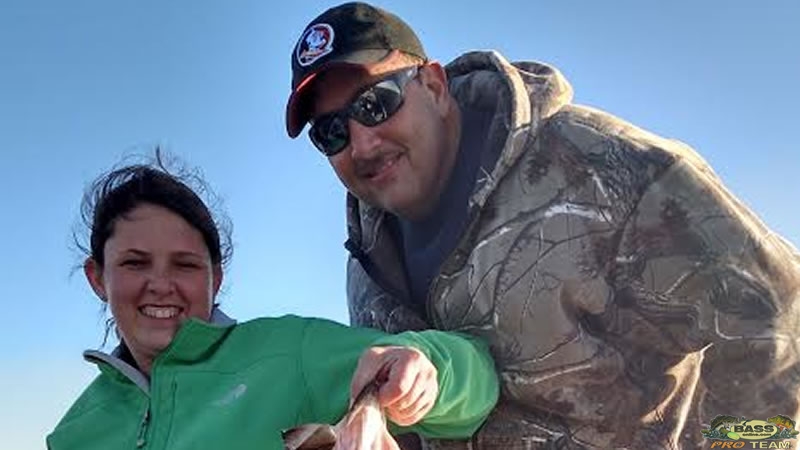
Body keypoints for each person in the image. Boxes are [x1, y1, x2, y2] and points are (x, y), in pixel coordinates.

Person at [284, 2, 800, 449]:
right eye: (330, 133)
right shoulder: (367, 270)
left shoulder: (604, 168)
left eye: (377, 103)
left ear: (435, 86)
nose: (363, 144)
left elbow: (781, 325)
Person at [46, 156, 499, 450]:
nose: (161, 285)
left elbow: (477, 383)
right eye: (135, 263)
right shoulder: (74, 433)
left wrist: (426, 368)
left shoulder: (287, 352)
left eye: (185, 265)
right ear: (97, 278)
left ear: (215, 279)